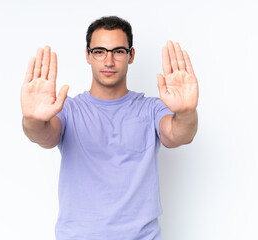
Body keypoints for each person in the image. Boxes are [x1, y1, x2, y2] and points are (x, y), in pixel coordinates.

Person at [20, 16, 198, 240]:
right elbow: (44, 136)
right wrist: (32, 119)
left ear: (131, 55)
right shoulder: (70, 110)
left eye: (118, 51)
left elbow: (178, 135)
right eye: (99, 51)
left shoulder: (151, 109)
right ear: (88, 55)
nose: (109, 61)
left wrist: (186, 112)